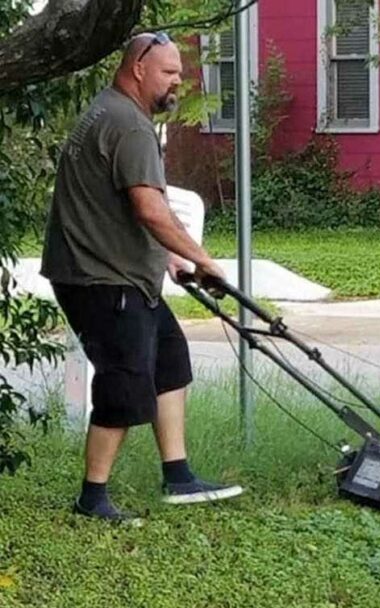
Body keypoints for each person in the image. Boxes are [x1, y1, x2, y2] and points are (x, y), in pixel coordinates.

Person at [41, 32, 243, 521]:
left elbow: (107, 204)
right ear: (138, 69)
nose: (178, 81)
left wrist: (167, 259)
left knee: (169, 360)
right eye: (169, 72)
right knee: (125, 383)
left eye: (179, 72)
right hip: (101, 278)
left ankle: (178, 476)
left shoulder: (106, 111)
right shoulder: (129, 126)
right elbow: (150, 209)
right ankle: (92, 498)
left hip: (116, 271)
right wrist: (201, 258)